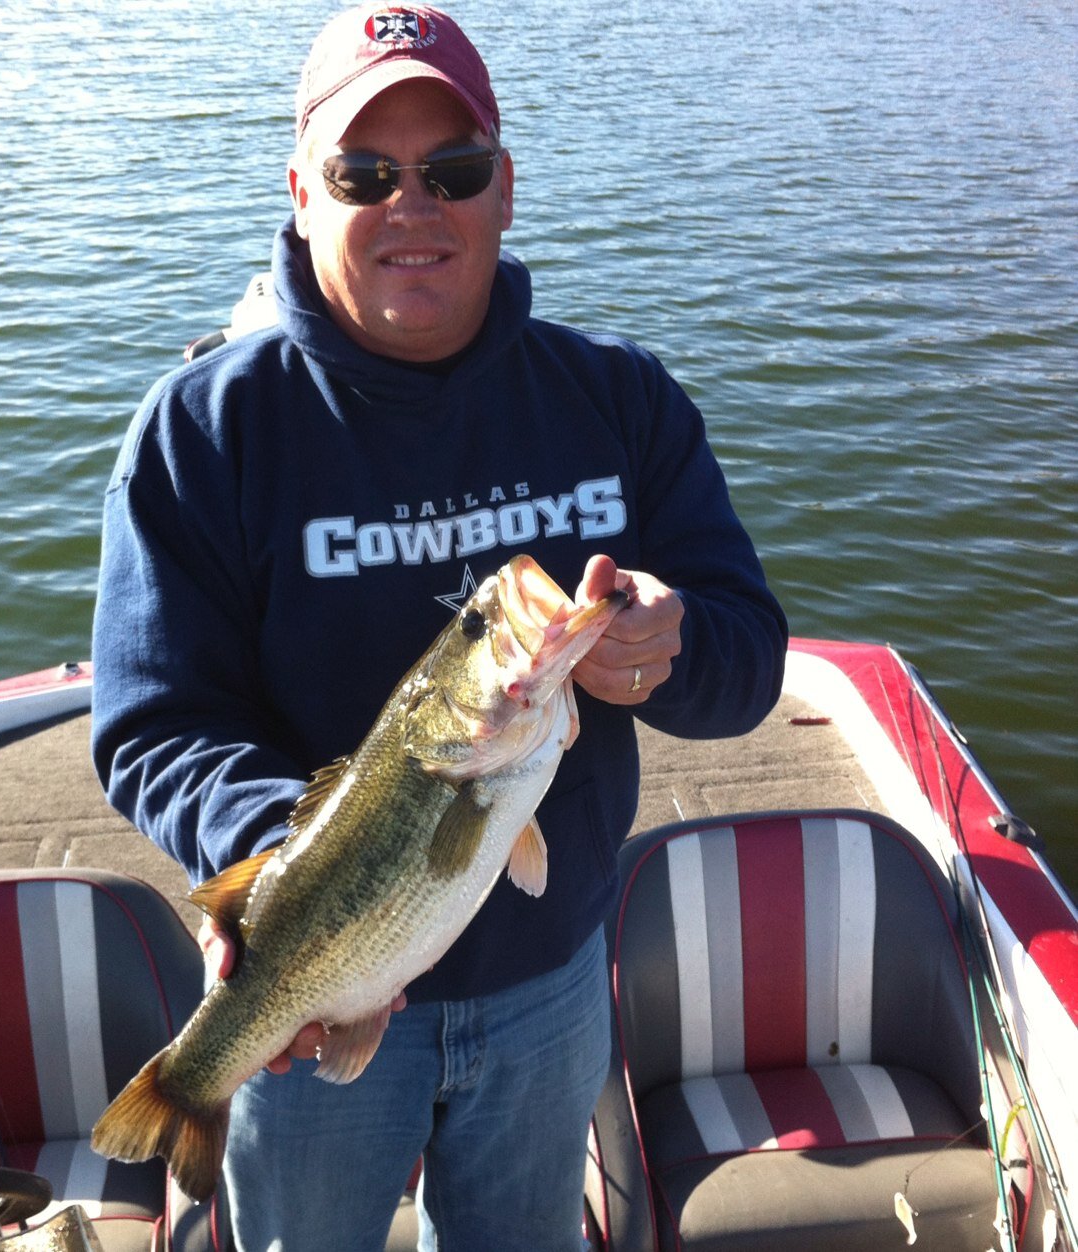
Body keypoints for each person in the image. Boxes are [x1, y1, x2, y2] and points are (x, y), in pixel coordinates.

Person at [90, 5, 788, 1250]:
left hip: (553, 984)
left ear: (504, 190)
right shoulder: (201, 433)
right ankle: (181, 1102)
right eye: (364, 173)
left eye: (451, 170)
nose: (412, 205)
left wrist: (671, 648)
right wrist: (281, 875)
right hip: (305, 1019)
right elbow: (154, 724)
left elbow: (744, 659)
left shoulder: (618, 396)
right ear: (303, 191)